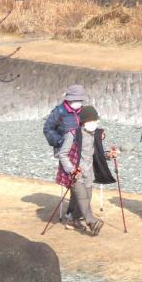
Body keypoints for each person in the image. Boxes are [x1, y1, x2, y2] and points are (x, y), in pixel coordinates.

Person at [56, 105, 117, 236]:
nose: (93, 123)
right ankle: (92, 222)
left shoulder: (95, 135)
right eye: (90, 121)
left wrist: (108, 155)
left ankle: (73, 220)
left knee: (86, 197)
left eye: (95, 121)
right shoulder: (72, 135)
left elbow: (96, 153)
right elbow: (63, 154)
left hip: (89, 173)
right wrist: (71, 170)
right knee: (82, 197)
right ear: (83, 122)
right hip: (75, 173)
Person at [43, 84, 86, 220]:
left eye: (80, 100)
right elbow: (48, 129)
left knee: (82, 179)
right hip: (66, 151)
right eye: (75, 99)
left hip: (81, 151)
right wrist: (61, 142)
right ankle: (74, 212)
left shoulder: (84, 111)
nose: (78, 102)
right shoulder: (59, 111)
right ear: (69, 99)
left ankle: (75, 211)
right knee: (74, 180)